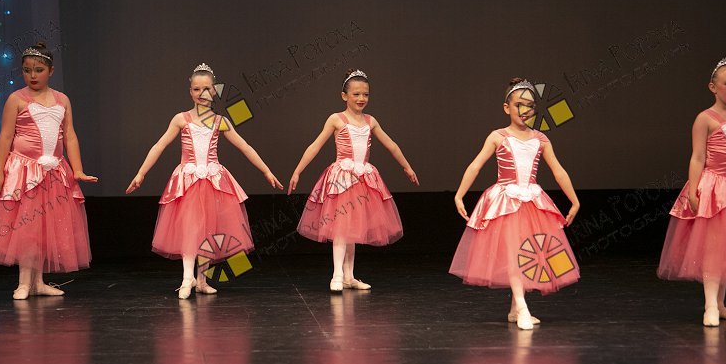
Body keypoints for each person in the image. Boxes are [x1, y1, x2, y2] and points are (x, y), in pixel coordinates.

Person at [126, 63, 282, 299]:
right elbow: (159, 145)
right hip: (188, 182)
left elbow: (245, 147)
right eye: (197, 89)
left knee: (209, 231)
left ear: (215, 91)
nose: (202, 93)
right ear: (190, 91)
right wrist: (141, 173)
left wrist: (266, 171)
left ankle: (201, 280)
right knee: (190, 229)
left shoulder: (221, 121)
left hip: (213, 181)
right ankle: (186, 278)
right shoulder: (181, 119)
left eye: (207, 88)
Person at [449, 78, 580, 330]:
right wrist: (459, 195)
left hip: (533, 202)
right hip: (506, 202)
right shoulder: (498, 136)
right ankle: (521, 307)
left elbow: (558, 171)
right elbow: (476, 165)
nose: (525, 110)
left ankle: (514, 308)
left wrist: (574, 200)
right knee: (513, 254)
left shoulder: (541, 139)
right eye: (519, 104)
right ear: (506, 107)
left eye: (530, 105)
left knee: (529, 253)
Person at [0, 43, 96, 299]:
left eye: (39, 70)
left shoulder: (62, 100)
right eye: (27, 70)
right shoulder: (16, 99)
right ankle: (24, 283)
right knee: (26, 228)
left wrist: (78, 170)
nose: (32, 75)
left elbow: (69, 136)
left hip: (53, 172)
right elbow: (6, 136)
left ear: (51, 70)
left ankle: (38, 282)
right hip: (24, 172)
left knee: (44, 229)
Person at [288, 69, 419, 291]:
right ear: (344, 96)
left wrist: (406, 166)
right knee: (341, 228)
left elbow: (391, 145)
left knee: (353, 229)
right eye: (356, 94)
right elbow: (315, 146)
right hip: (342, 178)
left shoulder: (371, 121)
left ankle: (349, 276)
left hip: (363, 179)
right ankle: (337, 275)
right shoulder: (336, 119)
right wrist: (298, 171)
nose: (361, 98)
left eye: (365, 94)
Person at [658, 56, 726, 326]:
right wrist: (694, 190)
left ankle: (721, 304)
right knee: (714, 249)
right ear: (713, 87)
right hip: (716, 189)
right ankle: (710, 306)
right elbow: (697, 157)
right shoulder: (705, 119)